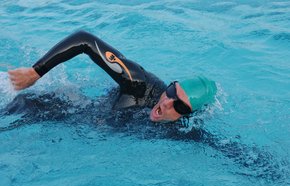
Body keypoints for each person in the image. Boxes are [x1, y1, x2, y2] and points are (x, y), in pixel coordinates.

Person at [8, 30, 217, 122]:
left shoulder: (180, 130)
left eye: (179, 107)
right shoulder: (139, 84)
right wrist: (36, 72)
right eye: (171, 91)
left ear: (188, 116)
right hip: (64, 111)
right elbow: (84, 41)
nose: (166, 103)